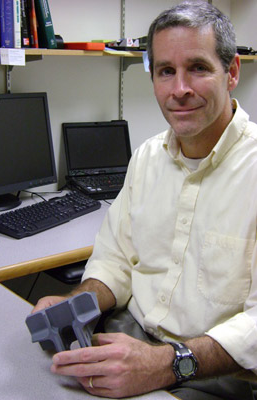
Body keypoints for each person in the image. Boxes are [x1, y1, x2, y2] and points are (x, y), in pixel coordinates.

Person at [33, 1, 257, 399]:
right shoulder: (148, 157)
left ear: (232, 72)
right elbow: (115, 258)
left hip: (214, 373)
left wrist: (163, 364)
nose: (179, 89)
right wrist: (78, 303)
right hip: (129, 336)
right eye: (165, 71)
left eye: (198, 68)